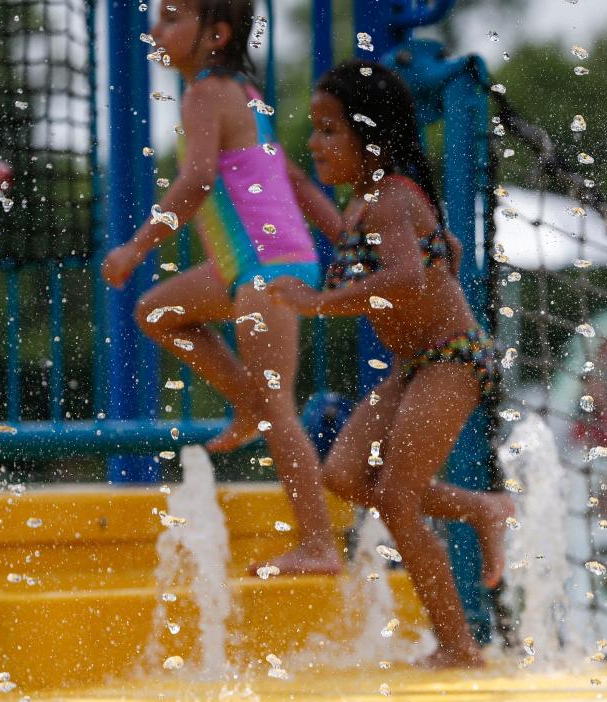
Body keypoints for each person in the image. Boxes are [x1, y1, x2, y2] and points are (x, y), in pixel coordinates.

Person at [267, 59, 515, 669]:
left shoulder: (388, 201)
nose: (317, 142)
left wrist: (322, 303)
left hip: (452, 360)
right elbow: (394, 252)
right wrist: (291, 179)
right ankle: (483, 507)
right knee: (345, 476)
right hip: (415, 365)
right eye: (314, 130)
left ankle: (460, 650)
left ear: (369, 135)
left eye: (329, 130)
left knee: (399, 499)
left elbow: (404, 277)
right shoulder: (363, 203)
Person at [101, 0, 342, 575]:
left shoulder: (205, 94)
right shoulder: (246, 94)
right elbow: (293, 176)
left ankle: (319, 545)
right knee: (157, 312)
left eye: (171, 17)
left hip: (265, 271)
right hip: (252, 268)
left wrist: (138, 245)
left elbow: (199, 177)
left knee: (281, 411)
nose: (156, 29)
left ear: (217, 34)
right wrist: (344, 238)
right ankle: (246, 402)